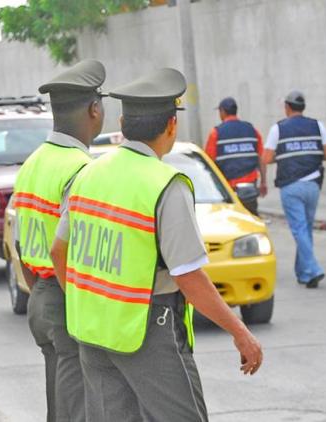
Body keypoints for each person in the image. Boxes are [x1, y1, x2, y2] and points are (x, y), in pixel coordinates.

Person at [51, 69, 263, 422]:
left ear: (122, 122)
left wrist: (85, 300)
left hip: (91, 330)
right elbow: (189, 277)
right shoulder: (167, 184)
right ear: (171, 127)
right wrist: (240, 333)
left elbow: (59, 251)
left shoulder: (87, 175)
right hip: (148, 330)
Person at [13, 59, 106, 422]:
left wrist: (41, 289)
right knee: (78, 411)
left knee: (60, 407)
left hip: (41, 296)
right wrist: (79, 305)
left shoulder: (33, 163)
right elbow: (69, 248)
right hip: (69, 300)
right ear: (94, 110)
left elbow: (22, 244)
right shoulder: (81, 169)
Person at [262, 91, 326, 288]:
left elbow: (266, 158)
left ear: (287, 107)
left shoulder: (278, 129)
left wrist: (284, 156)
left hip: (291, 186)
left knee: (300, 229)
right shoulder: (318, 126)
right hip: (313, 185)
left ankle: (313, 269)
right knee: (305, 228)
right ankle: (304, 274)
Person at [205, 97, 267, 215]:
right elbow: (261, 159)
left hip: (228, 187)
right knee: (251, 218)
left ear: (222, 111)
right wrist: (263, 182)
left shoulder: (216, 133)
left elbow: (209, 163)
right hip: (250, 185)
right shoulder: (252, 130)